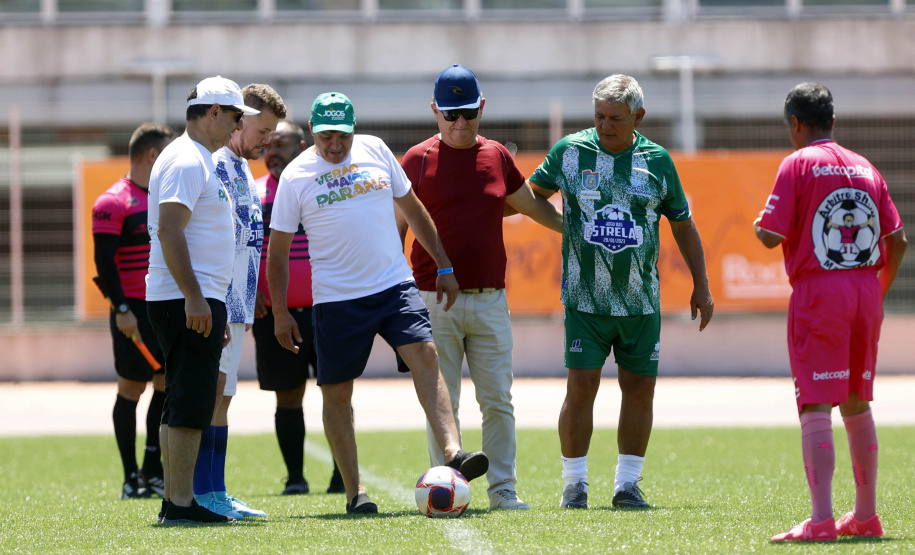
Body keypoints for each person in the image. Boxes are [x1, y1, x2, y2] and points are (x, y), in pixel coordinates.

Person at [267, 91, 489, 514]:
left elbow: (414, 208)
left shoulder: (375, 150)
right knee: (336, 393)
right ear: (312, 132)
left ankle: (453, 452)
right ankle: (355, 492)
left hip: (393, 286)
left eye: (343, 136)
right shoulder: (296, 176)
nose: (336, 145)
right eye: (327, 136)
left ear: (355, 129)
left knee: (426, 353)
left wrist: (443, 264)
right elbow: (277, 253)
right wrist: (280, 312)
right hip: (337, 300)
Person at [527, 74, 714, 510]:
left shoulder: (658, 161)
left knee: (639, 390)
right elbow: (528, 197)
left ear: (638, 117)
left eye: (615, 117)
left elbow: (683, 223)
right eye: (599, 116)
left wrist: (701, 285)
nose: (605, 125)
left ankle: (627, 485)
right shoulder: (570, 152)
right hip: (584, 301)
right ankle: (574, 485)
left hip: (640, 302)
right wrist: (561, 224)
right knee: (581, 388)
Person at [397, 64, 562, 511]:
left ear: (482, 107)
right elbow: (395, 234)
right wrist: (399, 305)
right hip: (433, 302)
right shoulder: (415, 160)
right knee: (441, 404)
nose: (460, 123)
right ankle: (444, 490)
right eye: (450, 114)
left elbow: (530, 207)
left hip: (491, 299)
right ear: (434, 110)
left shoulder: (497, 157)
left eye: (468, 112)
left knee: (498, 402)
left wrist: (573, 231)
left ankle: (503, 491)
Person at [756, 83, 907, 542]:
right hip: (865, 290)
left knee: (816, 401)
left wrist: (758, 225)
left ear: (796, 124)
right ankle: (865, 516)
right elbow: (897, 241)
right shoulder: (865, 166)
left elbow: (769, 234)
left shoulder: (797, 163)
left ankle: (821, 520)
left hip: (820, 292)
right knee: (858, 404)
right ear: (833, 123)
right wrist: (876, 292)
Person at [146, 75, 259, 524]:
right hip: (185, 297)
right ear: (213, 112)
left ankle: (176, 499)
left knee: (182, 398)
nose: (236, 127)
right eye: (234, 117)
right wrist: (196, 298)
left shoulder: (192, 157)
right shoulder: (188, 160)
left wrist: (208, 301)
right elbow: (170, 229)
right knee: (192, 401)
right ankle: (180, 504)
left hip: (191, 297)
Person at [189, 84, 287, 519]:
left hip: (240, 305)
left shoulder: (243, 167)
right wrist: (213, 302)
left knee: (223, 396)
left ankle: (216, 490)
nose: (267, 140)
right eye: (263, 129)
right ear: (239, 119)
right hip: (217, 302)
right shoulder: (211, 164)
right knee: (207, 395)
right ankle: (198, 493)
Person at [253, 121, 345, 496]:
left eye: (282, 143)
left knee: (337, 392)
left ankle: (343, 476)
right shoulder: (252, 194)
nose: (272, 150)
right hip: (277, 314)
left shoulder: (324, 186)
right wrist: (250, 292)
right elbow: (242, 249)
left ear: (302, 146)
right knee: (287, 394)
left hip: (329, 310)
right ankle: (295, 477)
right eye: (268, 144)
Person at [92, 122, 173, 499]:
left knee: (165, 384)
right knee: (131, 387)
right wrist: (121, 308)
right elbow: (104, 263)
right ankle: (130, 478)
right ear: (153, 155)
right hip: (132, 311)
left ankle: (152, 470)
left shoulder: (163, 197)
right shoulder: (113, 201)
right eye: (168, 153)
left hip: (164, 308)